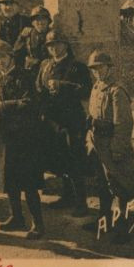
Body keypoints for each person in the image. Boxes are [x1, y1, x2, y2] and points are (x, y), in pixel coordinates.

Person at [0, 40, 44, 238]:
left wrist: (5, 106)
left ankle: (38, 223)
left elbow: (31, 102)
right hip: (2, 138)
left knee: (28, 183)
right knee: (9, 179)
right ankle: (16, 217)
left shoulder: (25, 76)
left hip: (23, 138)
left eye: (2, 57)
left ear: (11, 56)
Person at [36, 30, 95, 216]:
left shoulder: (77, 67)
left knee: (75, 160)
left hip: (71, 120)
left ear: (66, 45)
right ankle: (67, 196)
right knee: (60, 159)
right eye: (50, 45)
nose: (54, 48)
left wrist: (63, 86)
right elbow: (38, 87)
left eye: (57, 44)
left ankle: (81, 203)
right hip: (52, 121)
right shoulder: (45, 65)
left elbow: (86, 91)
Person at [86, 51, 134, 242]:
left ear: (109, 67)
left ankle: (124, 228)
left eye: (100, 68)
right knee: (102, 185)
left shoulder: (117, 91)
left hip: (112, 145)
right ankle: (104, 220)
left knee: (120, 188)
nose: (97, 72)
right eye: (94, 69)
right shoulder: (96, 87)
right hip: (98, 145)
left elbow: (123, 124)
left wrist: (117, 150)